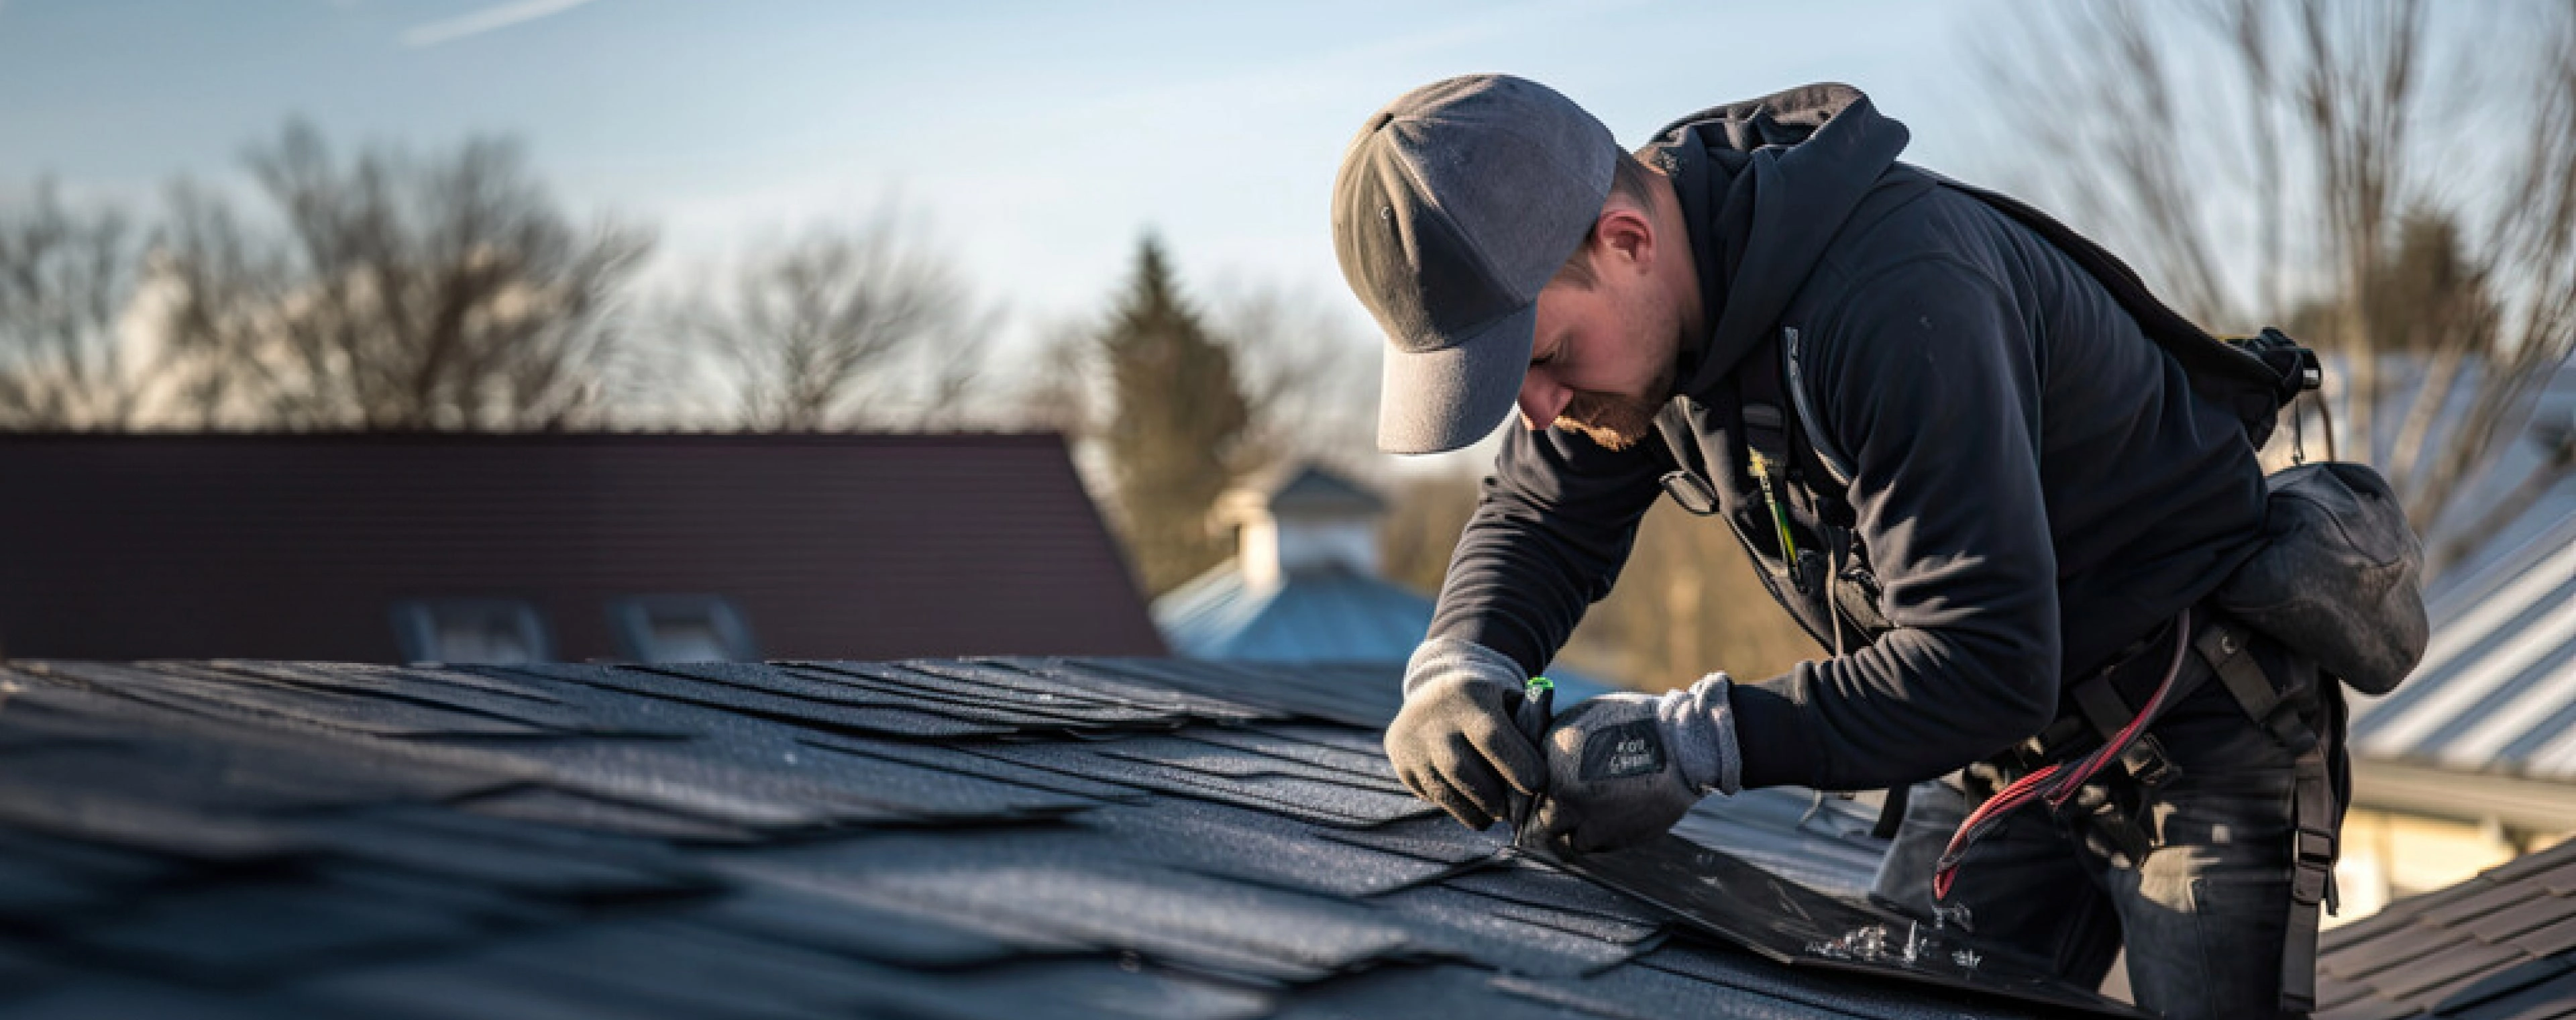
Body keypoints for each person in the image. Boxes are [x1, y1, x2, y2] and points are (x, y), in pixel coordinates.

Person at [1330, 76, 2347, 1019]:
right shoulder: (1642, 315)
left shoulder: (1895, 299)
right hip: (2001, 753)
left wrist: (1694, 742)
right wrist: (1459, 663)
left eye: (1544, 358)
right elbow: (1540, 515)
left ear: (1628, 240)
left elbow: (1985, 658)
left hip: (2194, 737)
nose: (1542, 411)